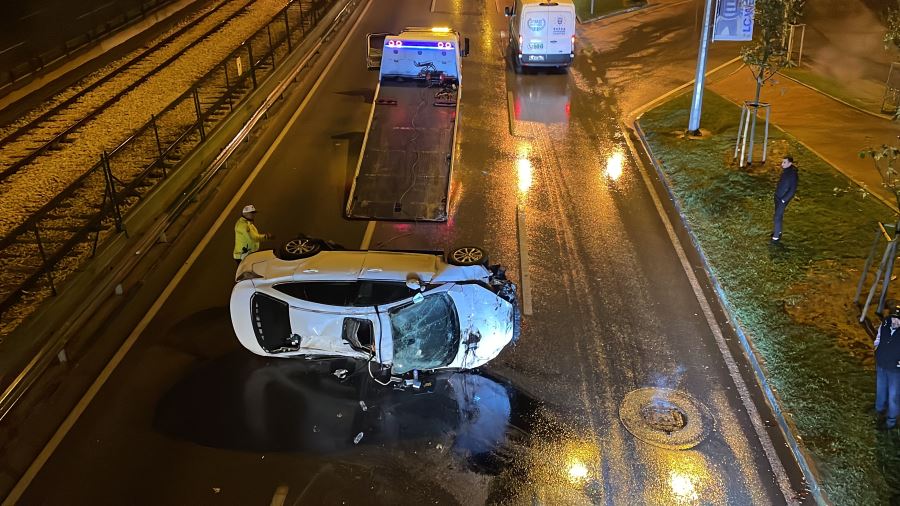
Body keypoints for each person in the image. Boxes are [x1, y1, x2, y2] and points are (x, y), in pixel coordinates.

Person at [874, 310, 900, 429]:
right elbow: (878, 338)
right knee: (880, 389)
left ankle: (891, 421)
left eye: (898, 319)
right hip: (881, 365)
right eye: (893, 318)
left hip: (895, 370)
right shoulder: (885, 324)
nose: (895, 321)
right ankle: (879, 411)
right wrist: (877, 350)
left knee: (894, 395)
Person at [772, 155, 798, 243]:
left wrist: (784, 199)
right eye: (782, 162)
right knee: (778, 215)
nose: (782, 164)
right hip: (778, 197)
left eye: (784, 162)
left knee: (777, 216)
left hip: (782, 199)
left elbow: (792, 189)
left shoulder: (792, 174)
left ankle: (775, 237)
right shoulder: (786, 171)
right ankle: (778, 231)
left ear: (790, 163)